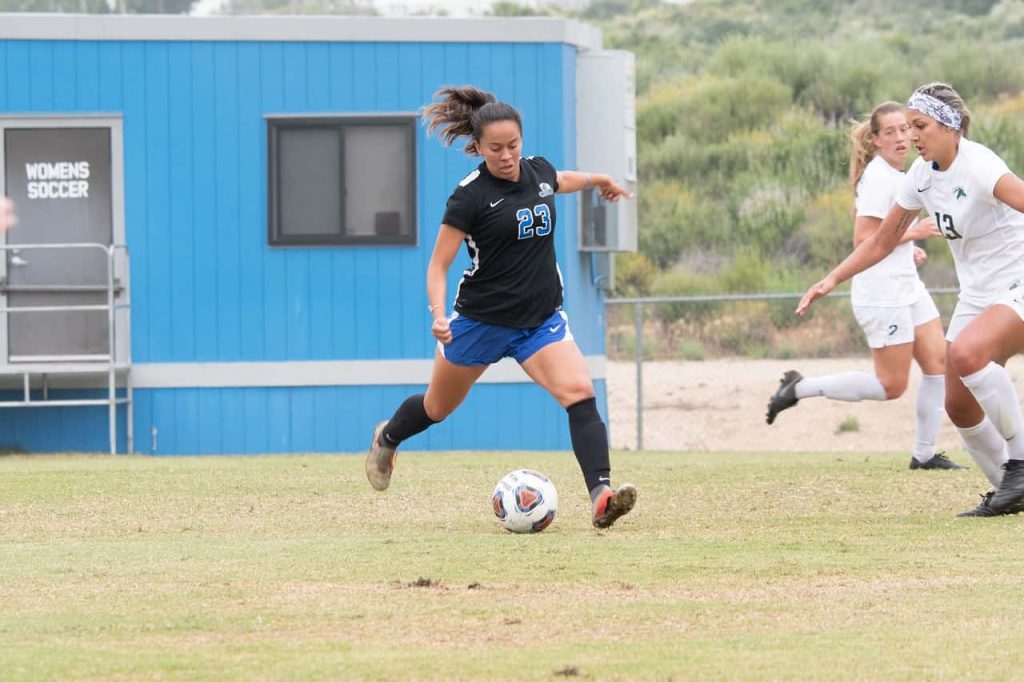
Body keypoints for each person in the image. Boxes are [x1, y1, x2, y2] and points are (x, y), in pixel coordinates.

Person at [364, 85, 637, 529]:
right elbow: (438, 265)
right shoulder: (468, 197)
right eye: (495, 149)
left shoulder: (538, 171)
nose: (507, 156)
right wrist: (437, 314)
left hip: (540, 321)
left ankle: (602, 496)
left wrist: (600, 180)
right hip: (479, 323)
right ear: (477, 147)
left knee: (580, 396)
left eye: (513, 145)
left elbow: (562, 180)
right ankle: (389, 436)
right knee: (436, 408)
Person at [796, 82, 1024, 517]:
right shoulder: (921, 176)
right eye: (907, 127)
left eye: (919, 126)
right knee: (957, 404)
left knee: (971, 354)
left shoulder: (979, 164)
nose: (912, 136)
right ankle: (1010, 490)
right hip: (978, 293)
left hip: (1018, 280)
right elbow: (881, 241)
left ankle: (1022, 463)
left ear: (950, 126)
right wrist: (830, 279)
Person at [767, 102, 966, 471]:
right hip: (882, 294)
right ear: (875, 140)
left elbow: (887, 238)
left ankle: (923, 455)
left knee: (939, 364)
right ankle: (798, 388)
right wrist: (914, 233)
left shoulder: (899, 175)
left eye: (905, 129)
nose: (900, 138)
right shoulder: (878, 177)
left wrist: (908, 249)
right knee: (891, 387)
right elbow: (864, 238)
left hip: (907, 285)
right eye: (889, 132)